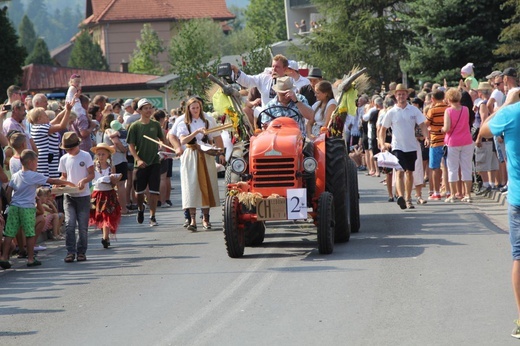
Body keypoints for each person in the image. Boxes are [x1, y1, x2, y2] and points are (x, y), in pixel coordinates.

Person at [479, 89, 520, 338]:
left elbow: (483, 131)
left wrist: (506, 104)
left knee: (519, 256)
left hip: (518, 198)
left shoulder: (512, 113)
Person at [0, 150, 74, 269]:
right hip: (27, 208)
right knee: (29, 233)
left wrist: (11, 203)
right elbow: (53, 181)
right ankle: (30, 258)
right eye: (36, 161)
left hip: (14, 207)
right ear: (30, 162)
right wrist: (69, 183)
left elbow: (9, 192)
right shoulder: (34, 175)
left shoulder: (15, 175)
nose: (37, 164)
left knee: (9, 232)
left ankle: (3, 257)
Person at [177, 97, 225, 231]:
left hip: (205, 155)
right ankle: (192, 219)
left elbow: (216, 137)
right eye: (193, 108)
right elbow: (182, 140)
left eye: (197, 108)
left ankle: (206, 218)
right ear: (188, 109)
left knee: (206, 184)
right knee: (191, 186)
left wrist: (221, 152)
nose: (196, 110)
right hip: (191, 155)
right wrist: (197, 132)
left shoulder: (207, 122)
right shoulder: (183, 123)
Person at [379, 84, 429, 210]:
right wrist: (382, 142)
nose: (401, 96)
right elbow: (383, 129)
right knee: (400, 171)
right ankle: (401, 196)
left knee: (409, 172)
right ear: (395, 96)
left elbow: (422, 124)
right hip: (397, 146)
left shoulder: (413, 110)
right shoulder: (391, 112)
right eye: (399, 94)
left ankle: (408, 198)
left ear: (407, 95)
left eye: (403, 94)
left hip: (411, 146)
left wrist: (427, 137)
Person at [127, 98, 165, 227]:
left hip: (154, 161)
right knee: (139, 193)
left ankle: (153, 216)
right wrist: (138, 159)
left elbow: (162, 139)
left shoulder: (155, 125)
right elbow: (131, 145)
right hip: (140, 164)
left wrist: (161, 146)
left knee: (154, 191)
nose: (149, 110)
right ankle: (140, 209)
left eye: (150, 107)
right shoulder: (135, 126)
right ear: (139, 110)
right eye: (145, 108)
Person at [59, 132, 95, 263]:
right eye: (67, 149)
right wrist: (61, 184)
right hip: (69, 195)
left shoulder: (85, 156)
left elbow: (91, 173)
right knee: (69, 224)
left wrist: (84, 181)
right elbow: (64, 175)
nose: (69, 151)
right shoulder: (64, 158)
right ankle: (70, 251)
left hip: (83, 195)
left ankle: (81, 251)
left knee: (82, 226)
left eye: (71, 148)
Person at [28, 98, 74, 180]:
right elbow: (62, 126)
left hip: (49, 158)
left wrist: (67, 108)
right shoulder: (41, 128)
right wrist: (68, 111)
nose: (48, 117)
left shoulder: (39, 126)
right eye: (45, 116)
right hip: (46, 161)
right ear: (39, 119)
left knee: (52, 180)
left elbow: (58, 118)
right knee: (49, 181)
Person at [441, 88, 474, 203]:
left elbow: (447, 128)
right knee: (466, 168)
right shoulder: (465, 109)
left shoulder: (448, 111)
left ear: (449, 99)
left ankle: (453, 194)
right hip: (467, 140)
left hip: (453, 141)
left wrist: (441, 129)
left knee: (452, 168)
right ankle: (468, 194)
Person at [89, 143, 122, 249]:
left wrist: (113, 180)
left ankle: (105, 237)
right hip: (97, 193)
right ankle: (105, 236)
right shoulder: (93, 166)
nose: (101, 156)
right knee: (100, 216)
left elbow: (113, 183)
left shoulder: (110, 167)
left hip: (108, 193)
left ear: (108, 155)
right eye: (99, 154)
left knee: (107, 215)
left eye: (103, 154)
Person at [425, 89, 448, 200]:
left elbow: (426, 123)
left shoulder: (432, 110)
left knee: (435, 168)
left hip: (435, 141)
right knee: (447, 167)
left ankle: (436, 192)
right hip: (447, 141)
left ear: (432, 99)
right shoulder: (448, 108)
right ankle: (448, 191)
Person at [103, 116, 129, 214]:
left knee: (113, 185)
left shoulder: (107, 131)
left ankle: (115, 207)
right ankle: (123, 208)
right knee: (121, 185)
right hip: (119, 160)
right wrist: (123, 150)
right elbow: (116, 141)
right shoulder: (112, 131)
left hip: (112, 160)